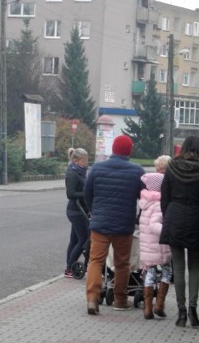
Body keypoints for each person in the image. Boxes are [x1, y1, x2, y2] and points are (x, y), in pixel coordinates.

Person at [160, 135, 199, 328]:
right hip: (195, 217)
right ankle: (193, 309)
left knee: (178, 267)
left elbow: (164, 196)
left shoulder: (172, 167)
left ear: (183, 148)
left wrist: (169, 214)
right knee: (194, 267)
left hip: (175, 216)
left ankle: (181, 312)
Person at [84, 134, 144, 315]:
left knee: (95, 261)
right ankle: (120, 300)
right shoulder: (137, 171)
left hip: (100, 223)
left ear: (113, 149)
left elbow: (88, 194)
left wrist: (94, 211)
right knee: (122, 264)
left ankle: (93, 300)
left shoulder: (96, 168)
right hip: (124, 224)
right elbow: (145, 199)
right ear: (129, 150)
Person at [139, 155, 173, 320]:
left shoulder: (145, 201)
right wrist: (168, 230)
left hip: (147, 246)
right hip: (159, 245)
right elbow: (154, 225)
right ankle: (159, 304)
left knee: (150, 274)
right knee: (167, 271)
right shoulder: (160, 203)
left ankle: (147, 309)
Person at [64, 147, 89, 278]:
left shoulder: (80, 172)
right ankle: (69, 268)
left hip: (80, 210)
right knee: (83, 239)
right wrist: (86, 193)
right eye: (84, 160)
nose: (86, 162)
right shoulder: (72, 173)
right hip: (76, 211)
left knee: (74, 240)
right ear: (76, 160)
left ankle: (69, 267)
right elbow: (70, 193)